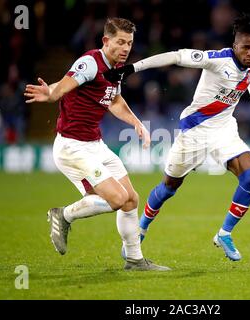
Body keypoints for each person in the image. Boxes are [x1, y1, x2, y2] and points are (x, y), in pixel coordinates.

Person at [104, 14, 250, 262]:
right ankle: (141, 229)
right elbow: (176, 56)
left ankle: (225, 233)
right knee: (169, 187)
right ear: (235, 45)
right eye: (246, 47)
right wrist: (133, 68)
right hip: (194, 132)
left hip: (224, 131)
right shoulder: (216, 59)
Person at [24, 18, 170, 271]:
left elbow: (113, 100)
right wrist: (51, 93)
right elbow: (63, 87)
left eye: (130, 43)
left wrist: (137, 123)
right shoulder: (90, 62)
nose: (125, 48)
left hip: (95, 144)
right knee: (117, 198)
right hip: (73, 147)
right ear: (106, 41)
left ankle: (135, 260)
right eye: (120, 42)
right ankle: (63, 215)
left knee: (131, 200)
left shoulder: (116, 69)